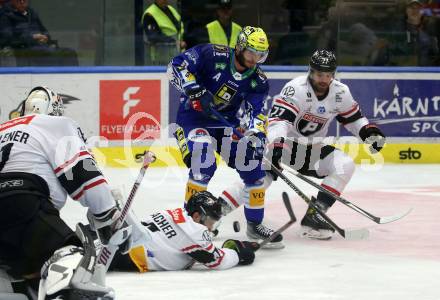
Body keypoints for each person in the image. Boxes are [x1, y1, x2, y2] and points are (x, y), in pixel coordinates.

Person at [0, 86, 130, 299]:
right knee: (67, 256)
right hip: (22, 202)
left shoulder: (3, 129)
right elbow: (81, 173)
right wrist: (107, 215)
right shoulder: (56, 124)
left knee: (14, 274)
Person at [167, 26, 284, 248]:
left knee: (253, 166)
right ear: (240, 47)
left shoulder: (258, 81)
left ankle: (254, 224)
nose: (254, 59)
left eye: (260, 55)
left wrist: (256, 137)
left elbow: (255, 114)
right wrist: (194, 90)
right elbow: (176, 64)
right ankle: (189, 225)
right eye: (251, 53)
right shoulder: (212, 54)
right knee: (203, 163)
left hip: (224, 124)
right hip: (192, 120)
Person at [265, 49, 386, 240]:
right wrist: (276, 145)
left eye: (328, 75)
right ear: (311, 72)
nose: (324, 79)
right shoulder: (295, 88)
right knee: (260, 177)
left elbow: (354, 119)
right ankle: (219, 208)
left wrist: (368, 132)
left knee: (344, 164)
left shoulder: (340, 92)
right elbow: (280, 121)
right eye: (320, 74)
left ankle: (315, 215)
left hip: (312, 152)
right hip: (286, 146)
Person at [108, 191, 257, 272]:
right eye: (210, 221)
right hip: (128, 255)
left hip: (122, 237)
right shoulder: (195, 232)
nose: (211, 228)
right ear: (197, 216)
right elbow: (218, 261)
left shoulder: (173, 212)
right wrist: (240, 254)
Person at [0, 0, 78, 66]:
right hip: (23, 49)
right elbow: (7, 38)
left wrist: (45, 37)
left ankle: (73, 81)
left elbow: (44, 31)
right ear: (12, 1)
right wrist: (32, 37)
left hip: (41, 47)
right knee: (55, 55)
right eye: (19, 0)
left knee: (69, 52)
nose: (22, 2)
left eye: (24, 0)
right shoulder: (5, 15)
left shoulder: (31, 13)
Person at [142, 0, 186, 65]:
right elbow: (153, 37)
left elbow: (179, 27)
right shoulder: (150, 14)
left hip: (177, 53)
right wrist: (174, 41)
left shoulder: (171, 9)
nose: (165, 0)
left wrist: (181, 41)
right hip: (162, 56)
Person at [405, 0, 439, 66]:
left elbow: (435, 54)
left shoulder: (430, 31)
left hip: (426, 71)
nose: (415, 10)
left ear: (422, 12)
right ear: (406, 10)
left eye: (418, 8)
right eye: (412, 8)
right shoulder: (398, 28)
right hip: (403, 69)